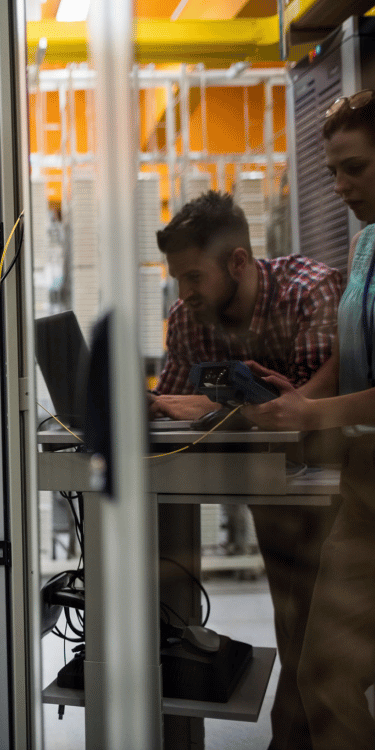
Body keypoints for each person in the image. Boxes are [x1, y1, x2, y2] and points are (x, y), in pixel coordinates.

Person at [149, 190, 343, 750]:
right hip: (267, 490)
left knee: (324, 637)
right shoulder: (190, 319)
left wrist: (211, 410)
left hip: (333, 484)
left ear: (238, 262)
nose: (183, 294)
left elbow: (303, 414)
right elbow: (177, 407)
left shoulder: (307, 290)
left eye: (193, 277)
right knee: (294, 627)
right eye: (177, 280)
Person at [246, 89, 375, 748]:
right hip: (362, 481)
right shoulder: (365, 247)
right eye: (331, 171)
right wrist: (296, 394)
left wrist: (313, 410)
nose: (340, 185)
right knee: (324, 666)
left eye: (354, 167)